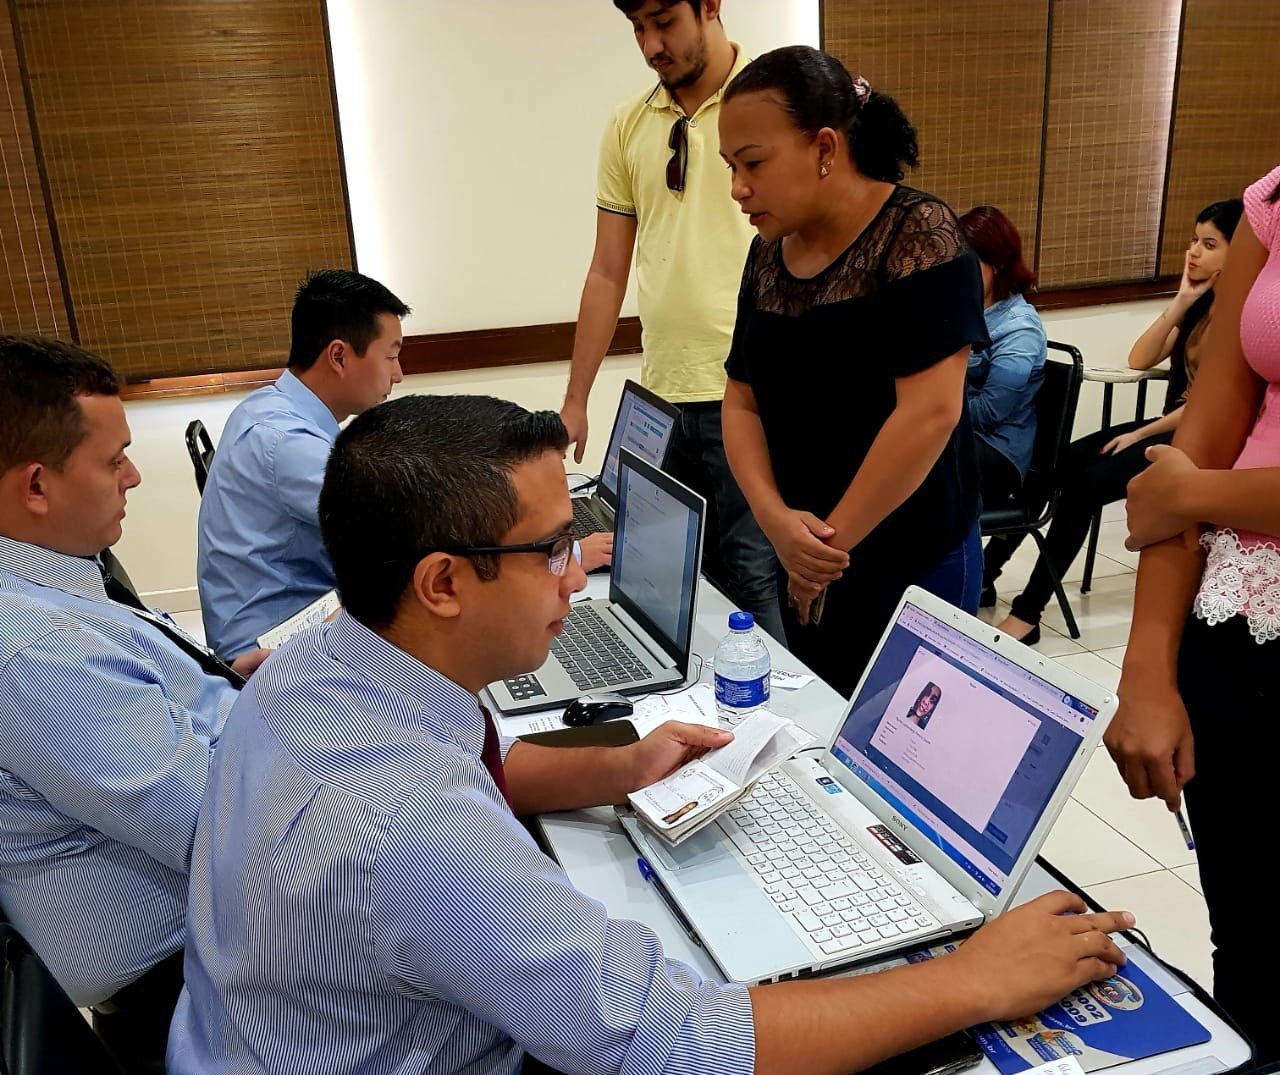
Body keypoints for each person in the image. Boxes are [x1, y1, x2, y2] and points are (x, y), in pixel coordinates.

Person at [169, 392, 1134, 1075]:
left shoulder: (313, 664)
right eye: (549, 551)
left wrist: (623, 766)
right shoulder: (413, 829)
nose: (575, 579)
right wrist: (968, 981)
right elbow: (663, 1043)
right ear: (443, 582)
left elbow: (470, 766)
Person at [0, 336, 264, 1074]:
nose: (135, 475)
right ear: (36, 486)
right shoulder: (33, 651)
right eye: (114, 458)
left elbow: (152, 701)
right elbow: (235, 830)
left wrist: (248, 686)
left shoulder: (53, 580)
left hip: (218, 935)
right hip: (210, 983)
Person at [718, 46, 988, 697]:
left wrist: (822, 553)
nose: (738, 188)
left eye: (752, 163)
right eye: (731, 167)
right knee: (828, 725)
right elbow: (742, 399)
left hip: (908, 550)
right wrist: (778, 521)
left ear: (825, 148)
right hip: (805, 546)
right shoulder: (767, 256)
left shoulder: (918, 234)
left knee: (908, 745)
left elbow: (930, 412)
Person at [1106, 165, 1280, 1063]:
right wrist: (1146, 667)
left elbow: (1186, 483)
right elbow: (1200, 439)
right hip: (1236, 625)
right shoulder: (1272, 201)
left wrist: (1202, 490)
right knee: (1249, 952)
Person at [560, 0, 783, 640]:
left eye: (664, 22)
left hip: (752, 396)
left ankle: (788, 730)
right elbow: (607, 271)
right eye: (637, 27)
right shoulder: (628, 125)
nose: (650, 43)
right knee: (665, 579)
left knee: (750, 576)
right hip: (662, 400)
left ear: (710, 6)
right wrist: (577, 399)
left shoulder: (774, 101)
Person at [984, 199, 1243, 643]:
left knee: (1083, 487)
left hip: (1199, 439)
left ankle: (1029, 612)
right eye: (1193, 241)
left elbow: (1213, 406)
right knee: (1058, 464)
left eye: (1209, 244)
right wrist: (1182, 300)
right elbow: (1140, 357)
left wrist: (1139, 433)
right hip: (1169, 425)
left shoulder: (1240, 320)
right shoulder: (1202, 306)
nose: (1194, 253)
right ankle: (987, 574)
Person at [959, 205, 1046, 512]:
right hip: (960, 439)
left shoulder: (1018, 328)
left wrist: (928, 409)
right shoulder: (959, 310)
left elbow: (989, 413)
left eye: (968, 264)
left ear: (996, 263)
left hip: (998, 453)